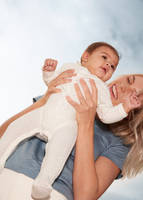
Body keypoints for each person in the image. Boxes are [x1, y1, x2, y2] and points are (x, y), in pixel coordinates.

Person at [0, 42, 141, 199]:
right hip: (5, 175)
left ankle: (44, 181)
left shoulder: (119, 143)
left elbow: (85, 196)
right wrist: (43, 100)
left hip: (51, 194)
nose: (124, 88)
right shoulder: (61, 92)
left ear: (132, 112)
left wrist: (85, 124)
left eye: (134, 95)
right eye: (129, 80)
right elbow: (3, 133)